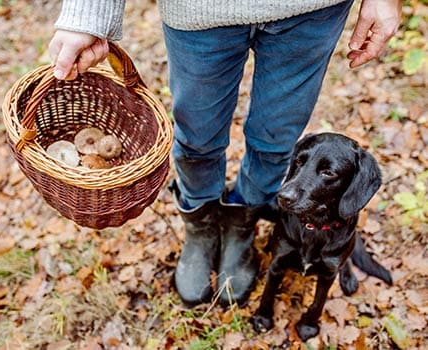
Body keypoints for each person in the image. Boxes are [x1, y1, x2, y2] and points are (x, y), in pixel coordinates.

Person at [49, 0, 402, 307]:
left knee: (276, 143)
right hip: (199, 11)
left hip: (310, 11)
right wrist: (88, 15)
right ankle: (201, 228)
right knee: (197, 140)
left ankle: (241, 226)